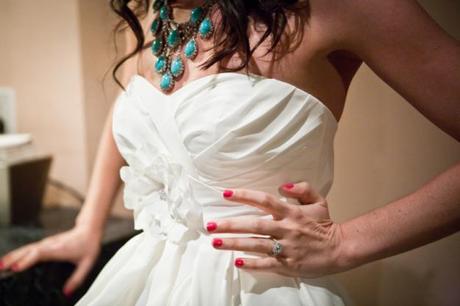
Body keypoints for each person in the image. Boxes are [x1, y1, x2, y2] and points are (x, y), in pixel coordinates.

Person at [1, 0, 459, 305]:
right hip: (146, 276)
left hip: (261, 287)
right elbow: (141, 102)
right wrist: (89, 223)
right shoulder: (154, 10)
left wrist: (345, 243)